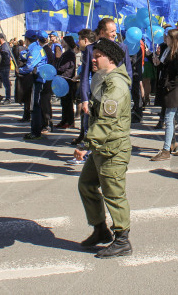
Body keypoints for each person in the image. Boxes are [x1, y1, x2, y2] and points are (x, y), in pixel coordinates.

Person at [74, 37, 133, 259]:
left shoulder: (116, 85)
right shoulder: (106, 80)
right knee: (87, 185)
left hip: (112, 148)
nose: (94, 59)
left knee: (114, 194)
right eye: (94, 55)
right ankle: (100, 229)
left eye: (98, 56)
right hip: (102, 147)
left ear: (111, 58)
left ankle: (122, 240)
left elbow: (107, 120)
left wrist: (86, 144)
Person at [151, 29, 178, 161]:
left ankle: (166, 150)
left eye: (168, 37)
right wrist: (158, 63)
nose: (165, 39)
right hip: (171, 89)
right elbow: (166, 68)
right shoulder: (169, 51)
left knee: (169, 119)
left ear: (173, 39)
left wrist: (169, 86)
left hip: (174, 91)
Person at [18, 30, 47, 138]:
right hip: (37, 79)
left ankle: (36, 132)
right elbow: (25, 55)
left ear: (27, 39)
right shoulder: (34, 48)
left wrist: (20, 70)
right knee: (35, 105)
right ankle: (36, 129)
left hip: (38, 79)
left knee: (35, 106)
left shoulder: (36, 49)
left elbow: (30, 66)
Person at [56, 35, 79, 129]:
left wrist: (58, 69)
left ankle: (69, 121)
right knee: (64, 102)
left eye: (63, 41)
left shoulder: (69, 53)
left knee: (67, 102)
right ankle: (64, 120)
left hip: (67, 79)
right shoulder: (66, 52)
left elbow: (65, 66)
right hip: (62, 78)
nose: (61, 42)